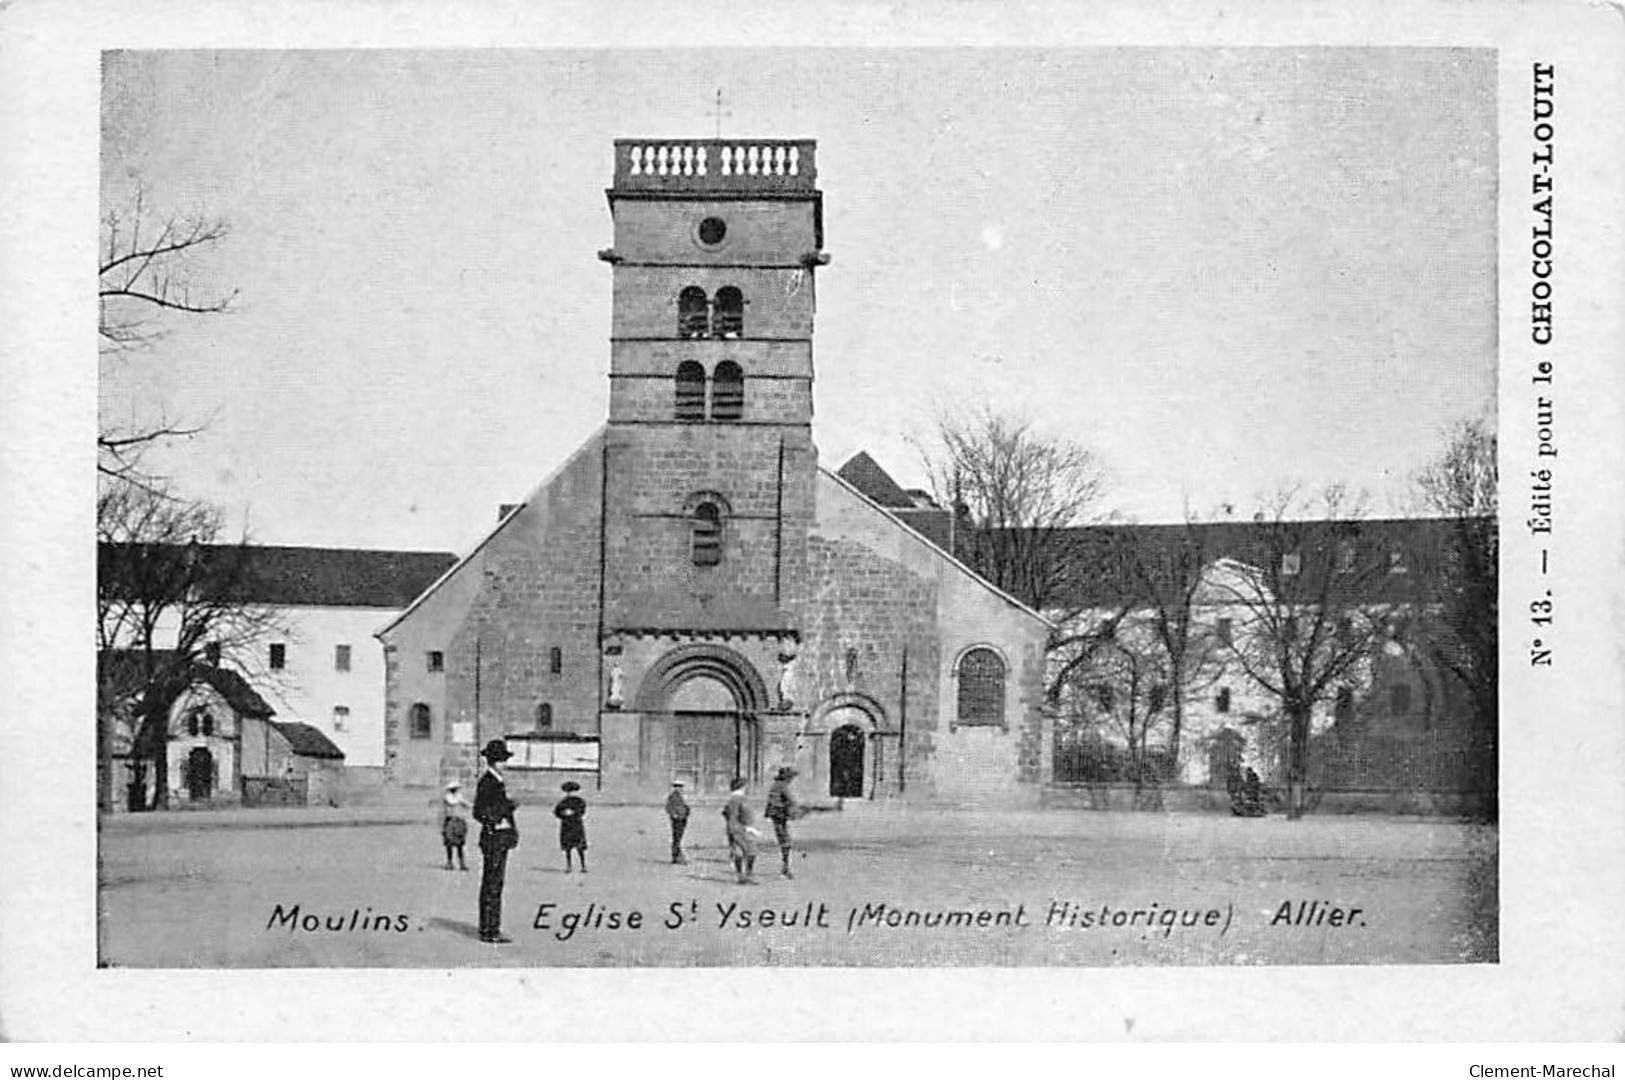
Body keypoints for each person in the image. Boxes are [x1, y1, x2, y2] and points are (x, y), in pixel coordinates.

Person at [473, 739, 518, 943]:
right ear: (493, 762)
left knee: (495, 883)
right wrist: (504, 810)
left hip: (500, 837)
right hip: (493, 838)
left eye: (504, 760)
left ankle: (492, 928)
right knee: (492, 884)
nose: (504, 764)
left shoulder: (497, 781)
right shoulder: (488, 782)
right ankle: (489, 931)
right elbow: (479, 811)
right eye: (501, 761)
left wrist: (507, 805)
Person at [721, 776, 760, 885]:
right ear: (742, 787)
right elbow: (745, 813)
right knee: (751, 850)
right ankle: (749, 874)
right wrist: (749, 827)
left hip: (731, 828)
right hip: (740, 828)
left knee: (738, 852)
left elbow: (724, 812)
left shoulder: (730, 800)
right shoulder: (741, 799)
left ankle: (740, 875)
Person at [764, 766, 801, 879]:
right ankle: (785, 869)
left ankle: (785, 868)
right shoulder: (782, 786)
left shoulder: (775, 785)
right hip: (779, 816)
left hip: (777, 816)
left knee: (784, 841)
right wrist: (795, 810)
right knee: (786, 842)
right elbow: (792, 801)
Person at [554, 780, 589, 873]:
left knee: (580, 846)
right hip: (566, 825)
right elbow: (557, 812)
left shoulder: (579, 801)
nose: (570, 793)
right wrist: (563, 813)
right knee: (567, 847)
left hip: (576, 825)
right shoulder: (563, 802)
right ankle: (569, 865)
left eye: (572, 791)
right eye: (569, 791)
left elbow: (582, 811)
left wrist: (573, 813)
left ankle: (583, 865)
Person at [441, 780, 470, 871]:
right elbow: (452, 802)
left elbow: (467, 805)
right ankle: (450, 862)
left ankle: (461, 863)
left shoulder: (459, 797)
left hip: (458, 821)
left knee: (460, 843)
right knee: (449, 843)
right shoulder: (448, 797)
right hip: (450, 821)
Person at [665, 780, 690, 865]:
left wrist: (686, 812)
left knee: (678, 838)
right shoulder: (673, 796)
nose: (681, 789)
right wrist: (674, 815)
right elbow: (668, 807)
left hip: (682, 819)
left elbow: (684, 806)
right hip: (677, 820)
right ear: (676, 787)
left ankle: (677, 857)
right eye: (679, 787)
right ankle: (677, 857)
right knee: (677, 839)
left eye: (681, 787)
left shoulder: (680, 796)